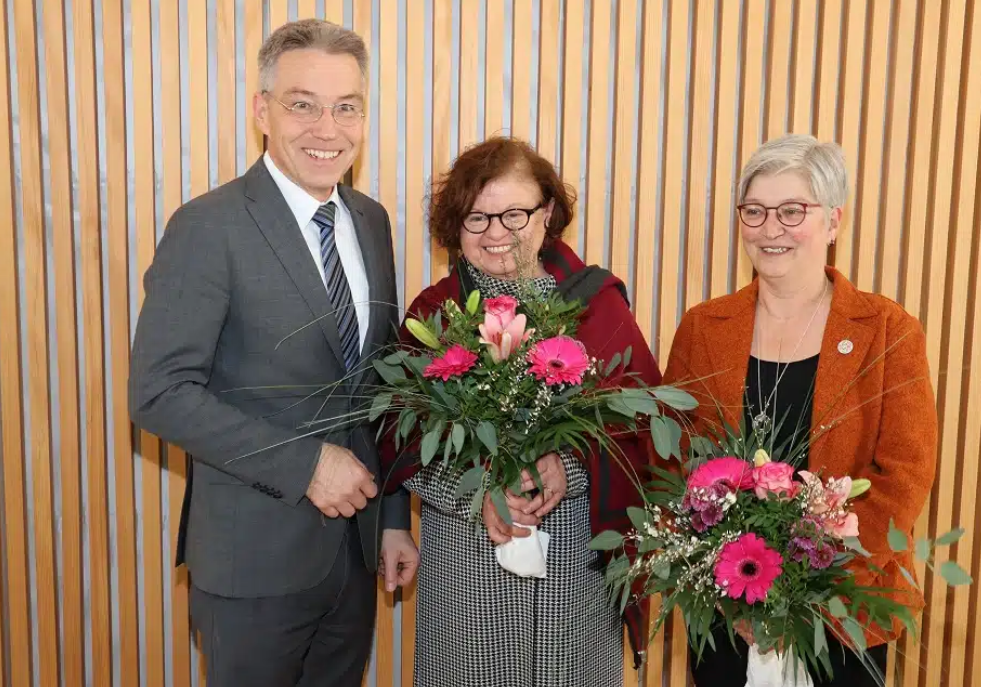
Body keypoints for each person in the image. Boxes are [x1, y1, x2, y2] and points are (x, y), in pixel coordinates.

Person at [129, 20, 418, 687]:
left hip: (352, 556)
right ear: (262, 110)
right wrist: (306, 463)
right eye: (302, 104)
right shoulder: (209, 225)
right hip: (252, 562)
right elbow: (158, 390)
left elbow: (379, 385)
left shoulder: (370, 220)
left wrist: (393, 518)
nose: (328, 128)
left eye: (346, 106)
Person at [381, 137, 663, 687]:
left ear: (548, 213)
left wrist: (571, 467)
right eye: (476, 218)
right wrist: (477, 487)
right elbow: (399, 436)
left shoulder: (596, 304)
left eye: (514, 213)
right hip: (468, 564)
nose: (496, 234)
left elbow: (641, 427)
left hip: (575, 572)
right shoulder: (434, 313)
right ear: (453, 226)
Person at [661, 134, 938, 686]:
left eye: (792, 211)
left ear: (833, 221)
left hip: (843, 613)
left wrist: (810, 589)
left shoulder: (886, 330)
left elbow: (905, 473)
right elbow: (672, 458)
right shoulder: (703, 327)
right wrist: (727, 584)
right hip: (725, 611)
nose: (770, 229)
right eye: (755, 211)